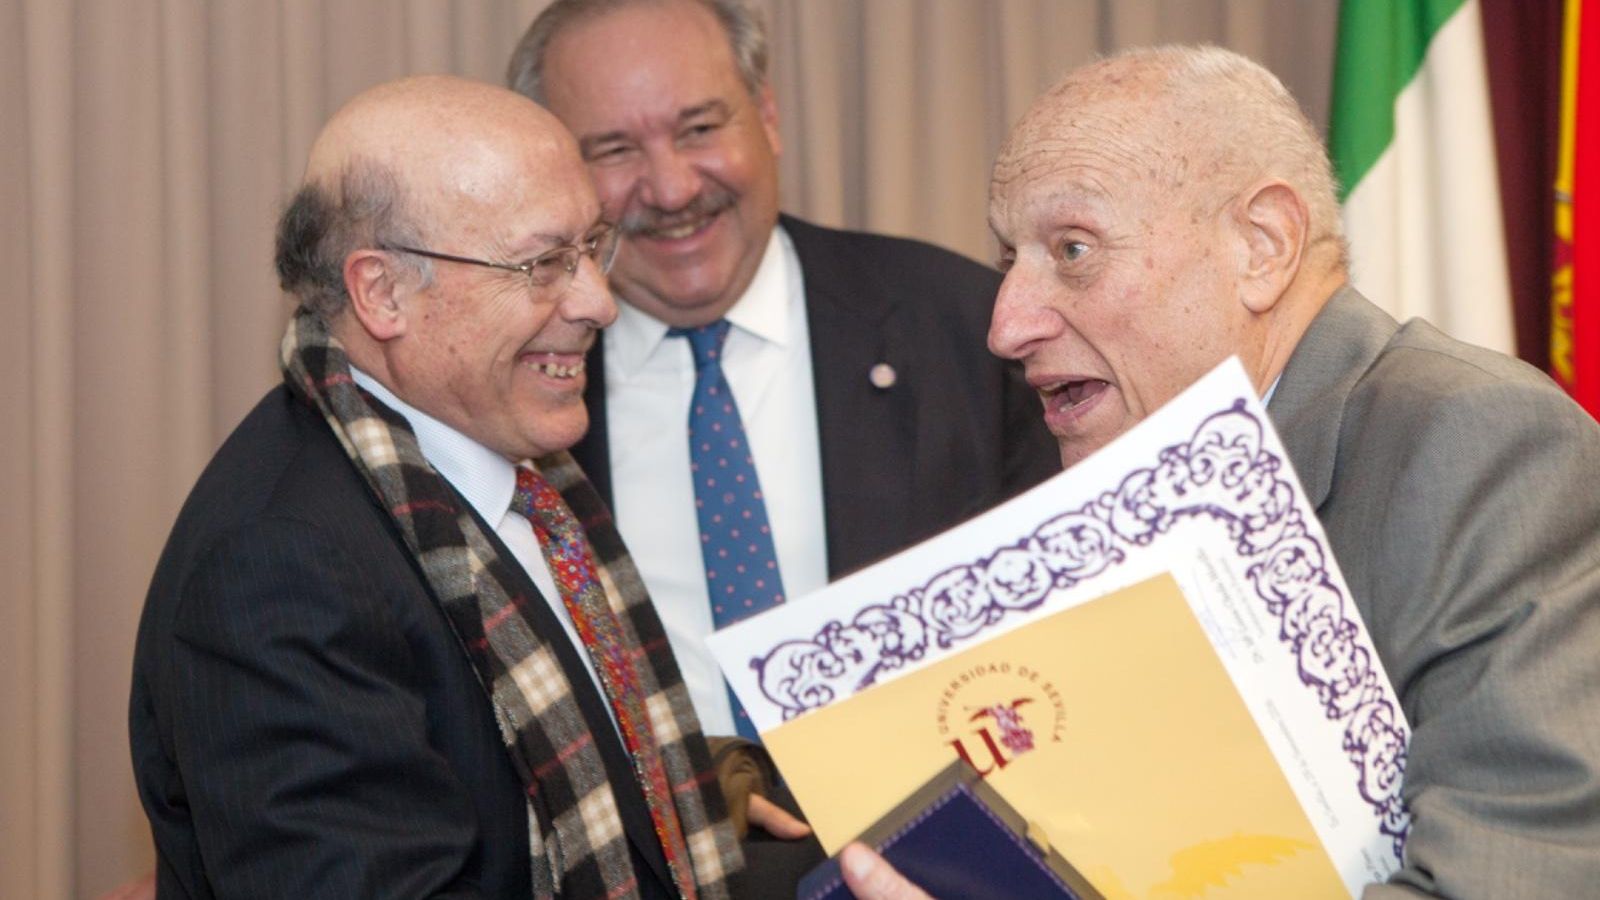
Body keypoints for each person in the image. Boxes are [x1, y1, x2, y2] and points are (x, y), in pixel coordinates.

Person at [844, 44, 1600, 899]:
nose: (1006, 326)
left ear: (1263, 246)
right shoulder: (1112, 494)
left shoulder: (1482, 449)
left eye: (1075, 249)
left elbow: (1513, 880)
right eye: (1007, 261)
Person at [128, 74, 807, 899]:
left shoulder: (503, 473)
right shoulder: (278, 567)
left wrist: (701, 788)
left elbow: (511, 764)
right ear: (381, 292)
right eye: (542, 263)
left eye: (592, 248)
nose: (598, 301)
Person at [506, 0, 1059, 741]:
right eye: (611, 151)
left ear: (767, 117)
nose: (670, 189)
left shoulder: (970, 329)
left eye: (699, 129)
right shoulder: (512, 396)